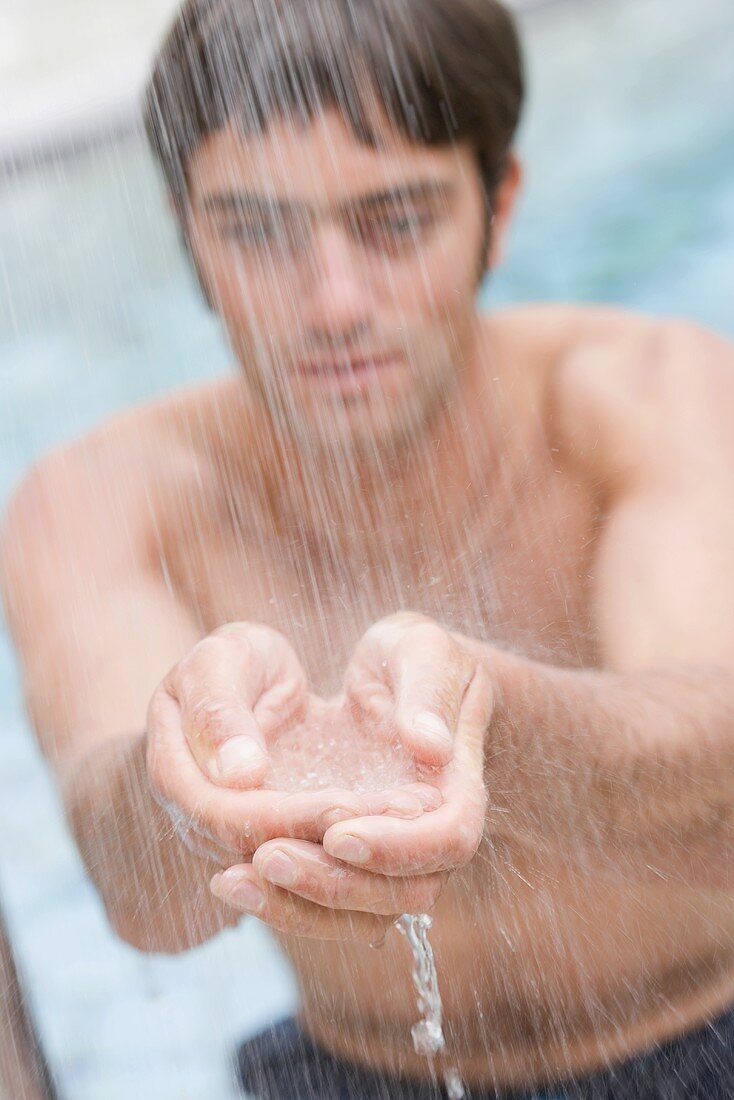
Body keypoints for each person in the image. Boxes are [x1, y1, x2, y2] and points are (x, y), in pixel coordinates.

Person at [2, 0, 734, 1096]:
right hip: (359, 1071)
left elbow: (718, 799)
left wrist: (498, 716)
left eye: (394, 219)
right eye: (255, 229)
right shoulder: (100, 500)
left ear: (500, 203)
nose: (332, 302)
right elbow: (139, 902)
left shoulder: (648, 394)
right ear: (187, 232)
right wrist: (185, 785)